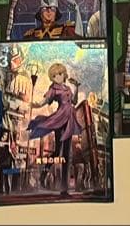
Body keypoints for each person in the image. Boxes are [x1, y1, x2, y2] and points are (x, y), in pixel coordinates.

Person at [28, 62, 81, 197]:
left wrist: (76, 88)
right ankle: (44, 173)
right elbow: (45, 100)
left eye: (60, 74)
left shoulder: (67, 89)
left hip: (69, 120)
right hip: (59, 119)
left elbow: (74, 102)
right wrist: (35, 105)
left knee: (67, 155)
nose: (58, 77)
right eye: (55, 75)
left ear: (64, 74)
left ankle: (64, 189)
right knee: (58, 151)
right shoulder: (54, 89)